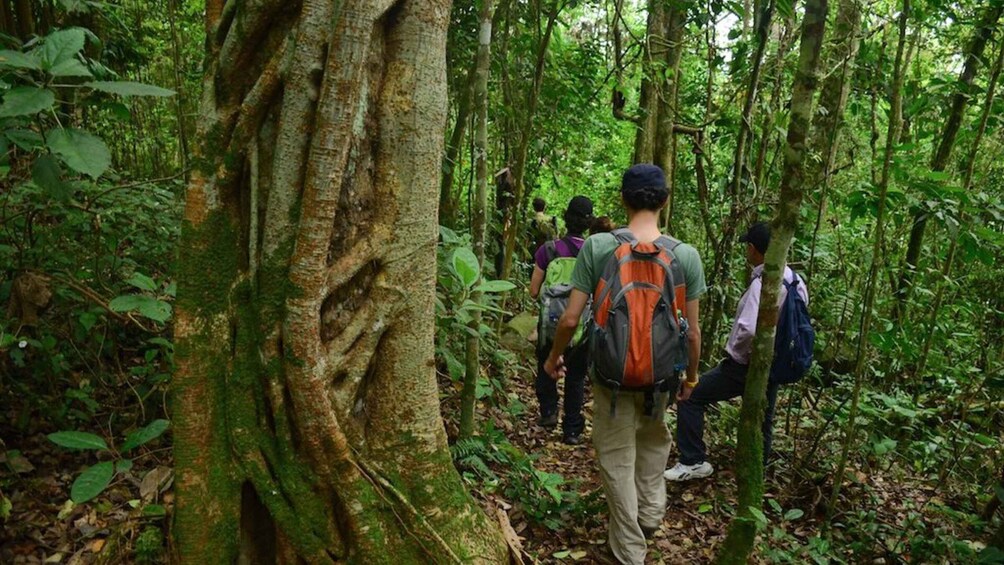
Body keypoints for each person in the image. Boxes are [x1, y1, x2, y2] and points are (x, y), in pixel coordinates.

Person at [545, 165, 706, 564]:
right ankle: (649, 517)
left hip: (611, 377)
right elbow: (693, 333)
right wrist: (691, 378)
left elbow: (569, 319)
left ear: (623, 199)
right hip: (661, 378)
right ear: (665, 200)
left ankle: (628, 551)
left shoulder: (598, 247)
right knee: (653, 446)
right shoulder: (685, 255)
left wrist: (553, 358)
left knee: (617, 457)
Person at [665, 221, 810, 482]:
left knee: (691, 395)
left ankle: (692, 460)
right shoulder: (795, 280)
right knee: (762, 418)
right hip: (775, 365)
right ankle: (756, 472)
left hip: (746, 365)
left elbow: (749, 330)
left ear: (754, 249)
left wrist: (736, 354)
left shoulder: (762, 284)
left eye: (749, 247)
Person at [530, 196, 594, 445]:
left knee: (547, 364)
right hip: (582, 326)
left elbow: (534, 290)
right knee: (576, 377)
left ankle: (548, 412)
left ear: (565, 217)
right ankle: (572, 430)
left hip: (551, 323)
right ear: (588, 223)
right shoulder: (593, 253)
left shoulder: (548, 250)